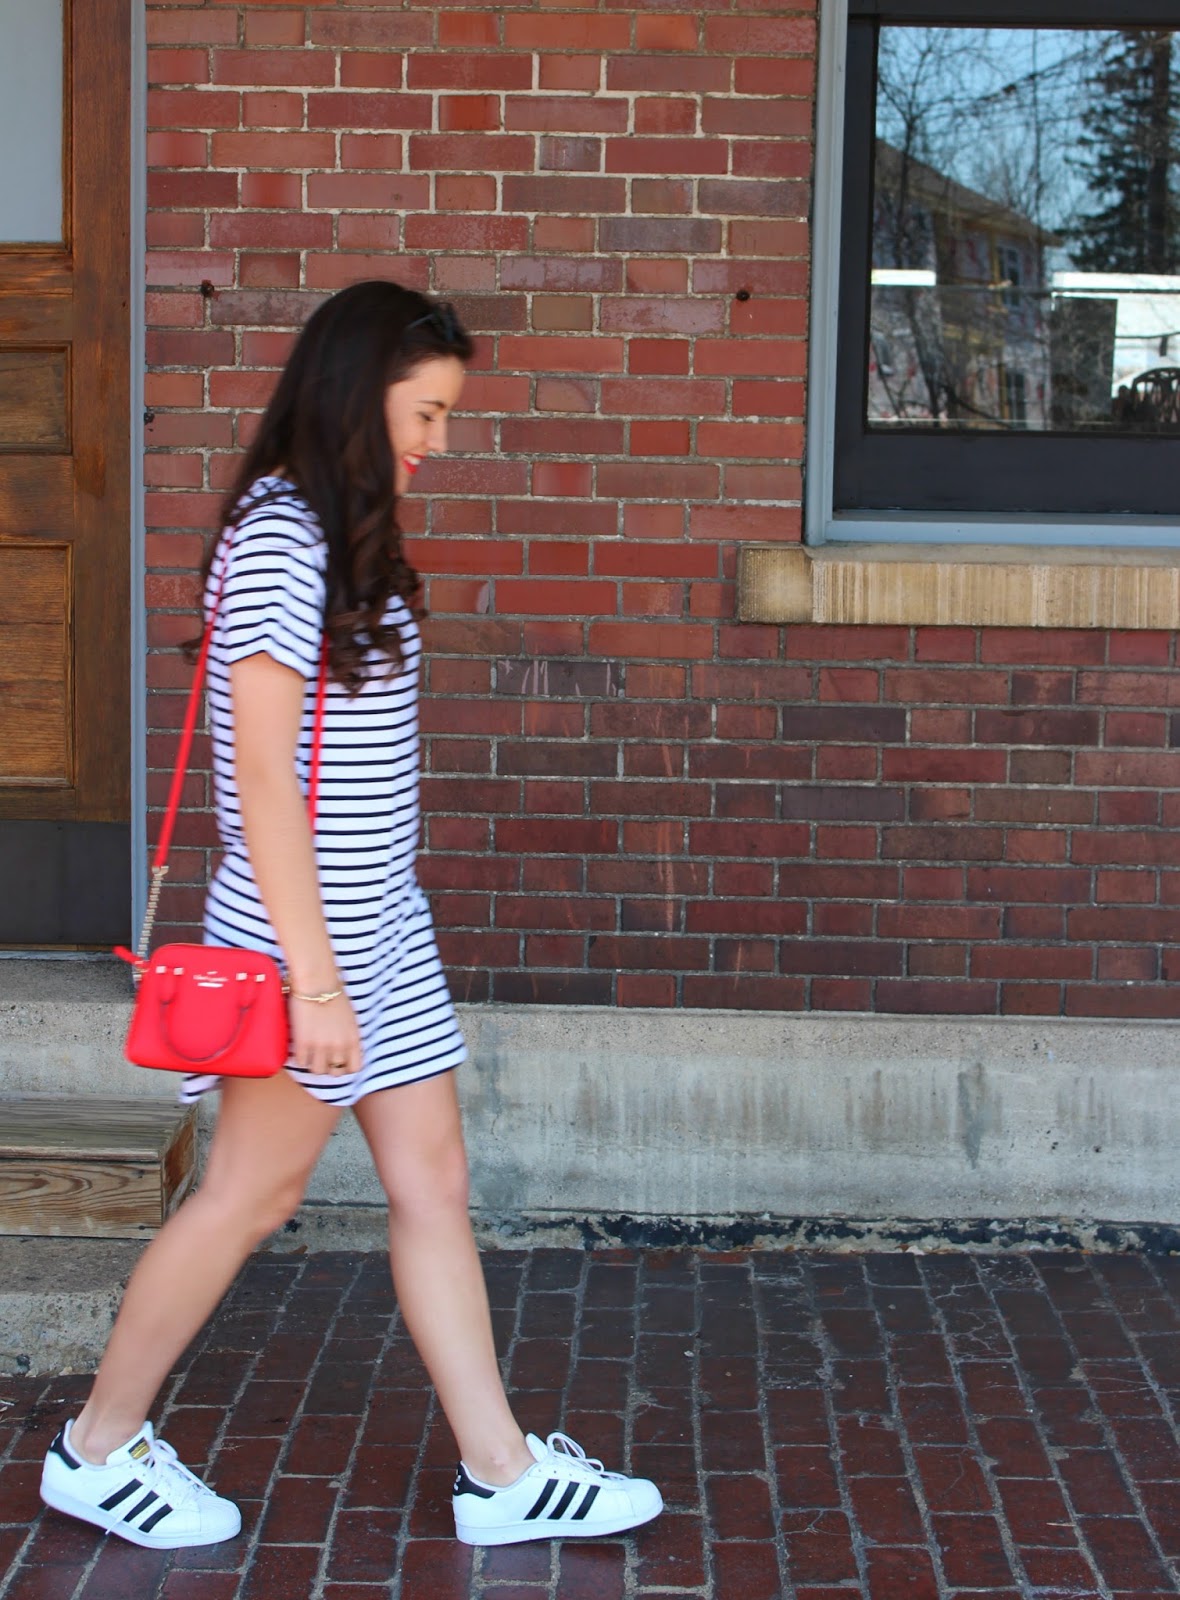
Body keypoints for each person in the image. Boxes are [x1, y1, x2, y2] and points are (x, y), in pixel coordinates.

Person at [39, 281, 663, 1552]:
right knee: (246, 1196)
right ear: (355, 394)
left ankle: (499, 1472)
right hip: (302, 938)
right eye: (424, 412)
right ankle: (94, 1450)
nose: (439, 439)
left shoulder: (335, 532)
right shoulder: (282, 537)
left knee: (433, 1180)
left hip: (382, 923)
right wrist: (315, 980)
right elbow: (262, 779)